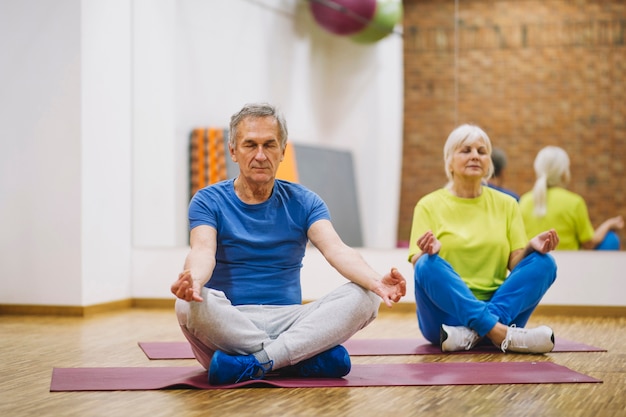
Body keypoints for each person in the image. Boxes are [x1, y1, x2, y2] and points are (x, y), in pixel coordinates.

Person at [171, 102, 407, 385]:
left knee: (367, 297)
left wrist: (376, 282)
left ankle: (256, 363)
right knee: (185, 306)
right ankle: (299, 357)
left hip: (288, 321)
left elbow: (336, 249)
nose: (260, 155)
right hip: (232, 322)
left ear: (283, 150)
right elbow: (202, 252)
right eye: (250, 145)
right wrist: (194, 281)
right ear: (233, 150)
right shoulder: (208, 200)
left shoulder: (304, 201)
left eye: (270, 145)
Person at [408, 124, 559, 354]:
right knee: (425, 265)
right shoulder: (428, 205)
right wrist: (431, 252)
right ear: (449, 161)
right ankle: (499, 333)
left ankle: (475, 333)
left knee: (545, 263)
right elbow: (417, 262)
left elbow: (515, 264)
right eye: (466, 150)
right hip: (444, 318)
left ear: (489, 162)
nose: (475, 156)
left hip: (500, 309)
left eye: (481, 151)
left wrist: (530, 247)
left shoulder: (507, 204)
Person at [519, 146, 623, 250]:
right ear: (564, 174)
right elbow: (589, 244)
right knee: (611, 239)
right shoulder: (575, 202)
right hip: (571, 264)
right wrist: (608, 225)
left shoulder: (523, 201)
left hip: (534, 264)